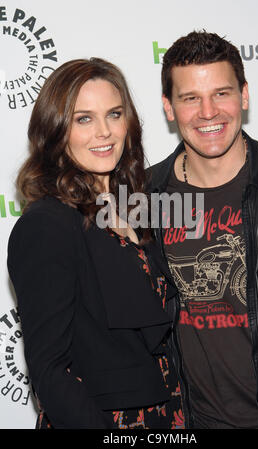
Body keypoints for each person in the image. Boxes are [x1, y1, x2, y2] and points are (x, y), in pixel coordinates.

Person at [7, 58, 186, 429]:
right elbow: (50, 370)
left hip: (166, 416)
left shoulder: (137, 209)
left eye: (114, 114)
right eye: (83, 118)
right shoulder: (47, 225)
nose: (104, 132)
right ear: (56, 130)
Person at [148, 31, 258, 429]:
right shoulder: (143, 198)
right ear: (168, 107)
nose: (208, 111)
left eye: (221, 93)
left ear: (244, 96)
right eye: (190, 98)